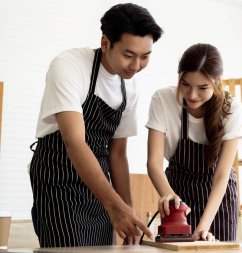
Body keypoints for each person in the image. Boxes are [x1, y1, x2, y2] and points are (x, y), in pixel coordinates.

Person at [29, 3, 163, 247]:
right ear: (105, 43)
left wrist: (127, 210)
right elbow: (74, 142)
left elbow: (118, 153)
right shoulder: (69, 66)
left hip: (100, 187)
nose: (136, 66)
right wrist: (115, 206)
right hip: (59, 180)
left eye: (145, 57)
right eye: (128, 55)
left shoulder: (129, 87)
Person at [146, 43, 242, 241]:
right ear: (179, 76)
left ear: (216, 82)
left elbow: (222, 174)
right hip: (177, 192)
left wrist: (204, 225)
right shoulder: (163, 100)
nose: (191, 95)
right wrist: (172, 201)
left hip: (217, 201)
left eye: (203, 88)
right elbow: (154, 163)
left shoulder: (231, 108)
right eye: (185, 84)